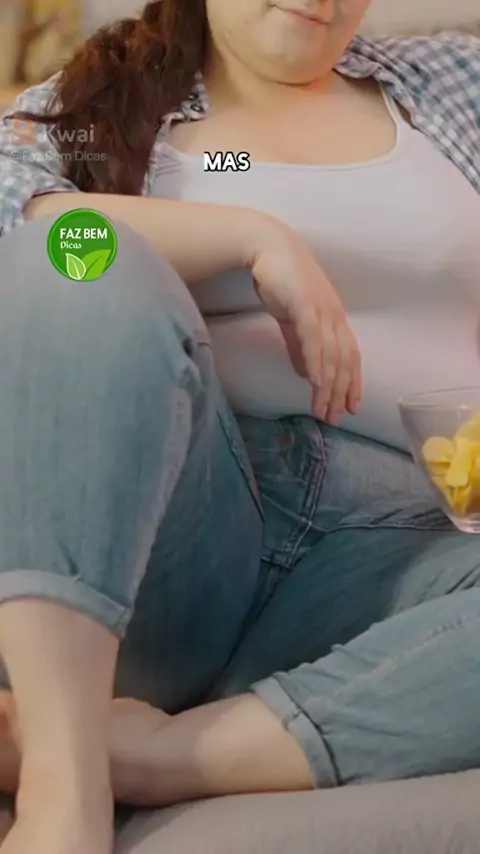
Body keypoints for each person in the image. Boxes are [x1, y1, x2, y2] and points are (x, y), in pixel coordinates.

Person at [0, 0, 479, 851]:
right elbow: (28, 227)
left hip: (409, 553)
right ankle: (63, 787)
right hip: (186, 530)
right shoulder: (103, 114)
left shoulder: (446, 85)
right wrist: (251, 236)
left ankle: (155, 756)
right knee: (79, 255)